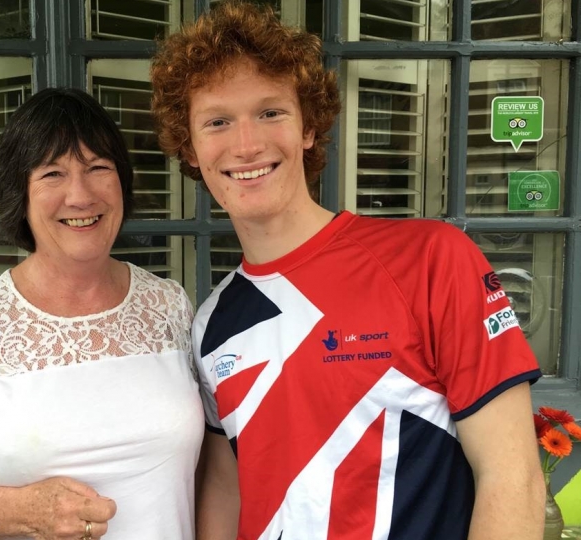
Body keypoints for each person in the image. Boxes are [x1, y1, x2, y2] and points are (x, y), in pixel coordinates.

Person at [150, 2, 546, 539]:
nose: (246, 144)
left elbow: (512, 477)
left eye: (271, 112)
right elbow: (227, 491)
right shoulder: (212, 322)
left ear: (309, 128)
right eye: (217, 121)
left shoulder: (431, 260)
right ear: (191, 149)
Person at [0, 88, 204, 540]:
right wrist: (24, 511)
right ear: (21, 196)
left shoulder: (169, 306)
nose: (80, 195)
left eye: (98, 168)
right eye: (53, 173)